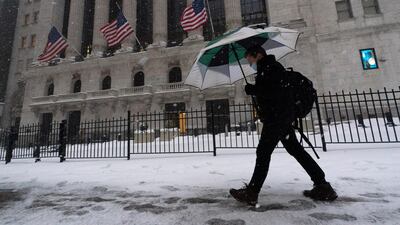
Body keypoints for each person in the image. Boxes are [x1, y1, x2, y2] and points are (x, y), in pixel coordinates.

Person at [229, 45, 337, 206]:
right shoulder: (267, 68)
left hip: (277, 118)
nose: (248, 62)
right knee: (295, 150)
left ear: (257, 54)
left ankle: (252, 192)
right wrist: (257, 91)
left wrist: (254, 89)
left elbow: (275, 93)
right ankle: (322, 185)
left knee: (263, 152)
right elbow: (272, 92)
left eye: (249, 58)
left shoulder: (271, 68)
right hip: (280, 118)